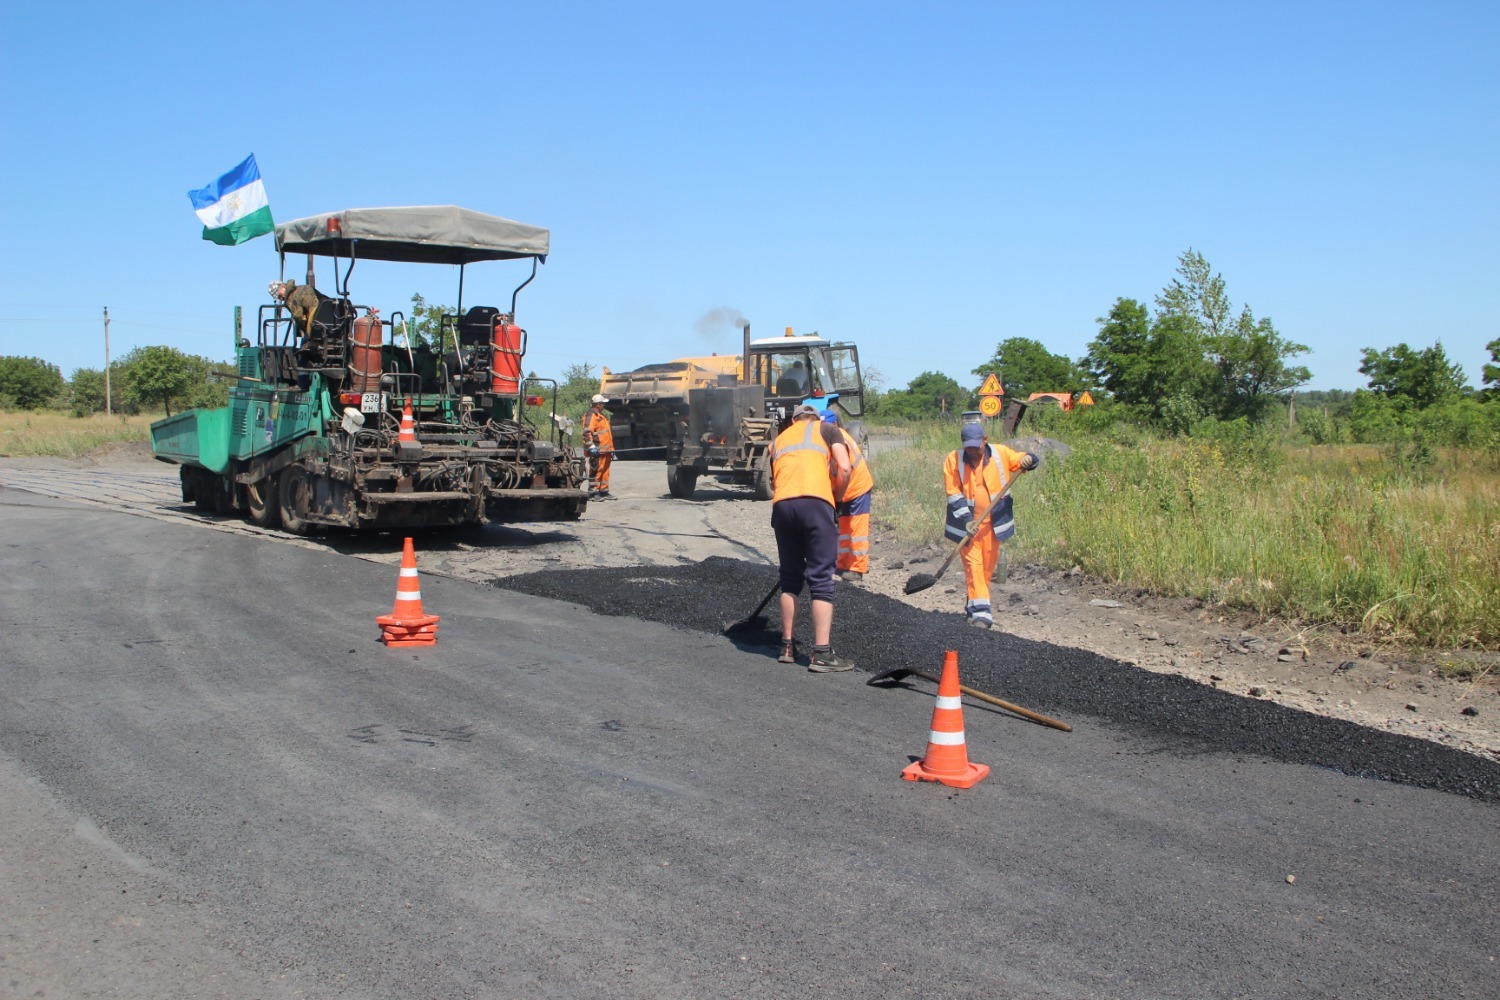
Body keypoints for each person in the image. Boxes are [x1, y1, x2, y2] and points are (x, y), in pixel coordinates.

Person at [771, 403, 853, 672]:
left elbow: (776, 480)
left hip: (782, 507)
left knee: (790, 578)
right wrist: (837, 499)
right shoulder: (828, 429)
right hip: (817, 505)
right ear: (815, 418)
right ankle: (821, 654)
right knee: (820, 578)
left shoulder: (779, 439)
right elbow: (844, 468)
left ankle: (786, 646)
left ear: (793, 421)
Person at [943, 423, 1039, 628]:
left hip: (992, 525)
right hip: (967, 526)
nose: (972, 451)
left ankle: (973, 604)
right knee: (974, 565)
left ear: (984, 440)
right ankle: (981, 614)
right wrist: (966, 520)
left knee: (986, 568)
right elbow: (953, 494)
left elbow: (1023, 460)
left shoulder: (1000, 453)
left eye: (975, 446)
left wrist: (1030, 459)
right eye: (967, 447)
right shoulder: (954, 460)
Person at [823, 411, 873, 584]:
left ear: (834, 424)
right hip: (844, 490)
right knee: (844, 528)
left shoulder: (839, 440)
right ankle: (843, 564)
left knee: (857, 530)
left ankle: (857, 568)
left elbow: (843, 470)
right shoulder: (831, 438)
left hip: (857, 488)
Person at [583, 394, 615, 497]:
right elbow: (586, 433)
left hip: (606, 450)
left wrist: (611, 449)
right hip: (597, 450)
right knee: (596, 470)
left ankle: (603, 491)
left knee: (605, 471)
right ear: (598, 405)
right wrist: (591, 446)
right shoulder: (591, 416)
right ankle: (593, 492)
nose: (604, 405)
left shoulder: (601, 416)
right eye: (603, 404)